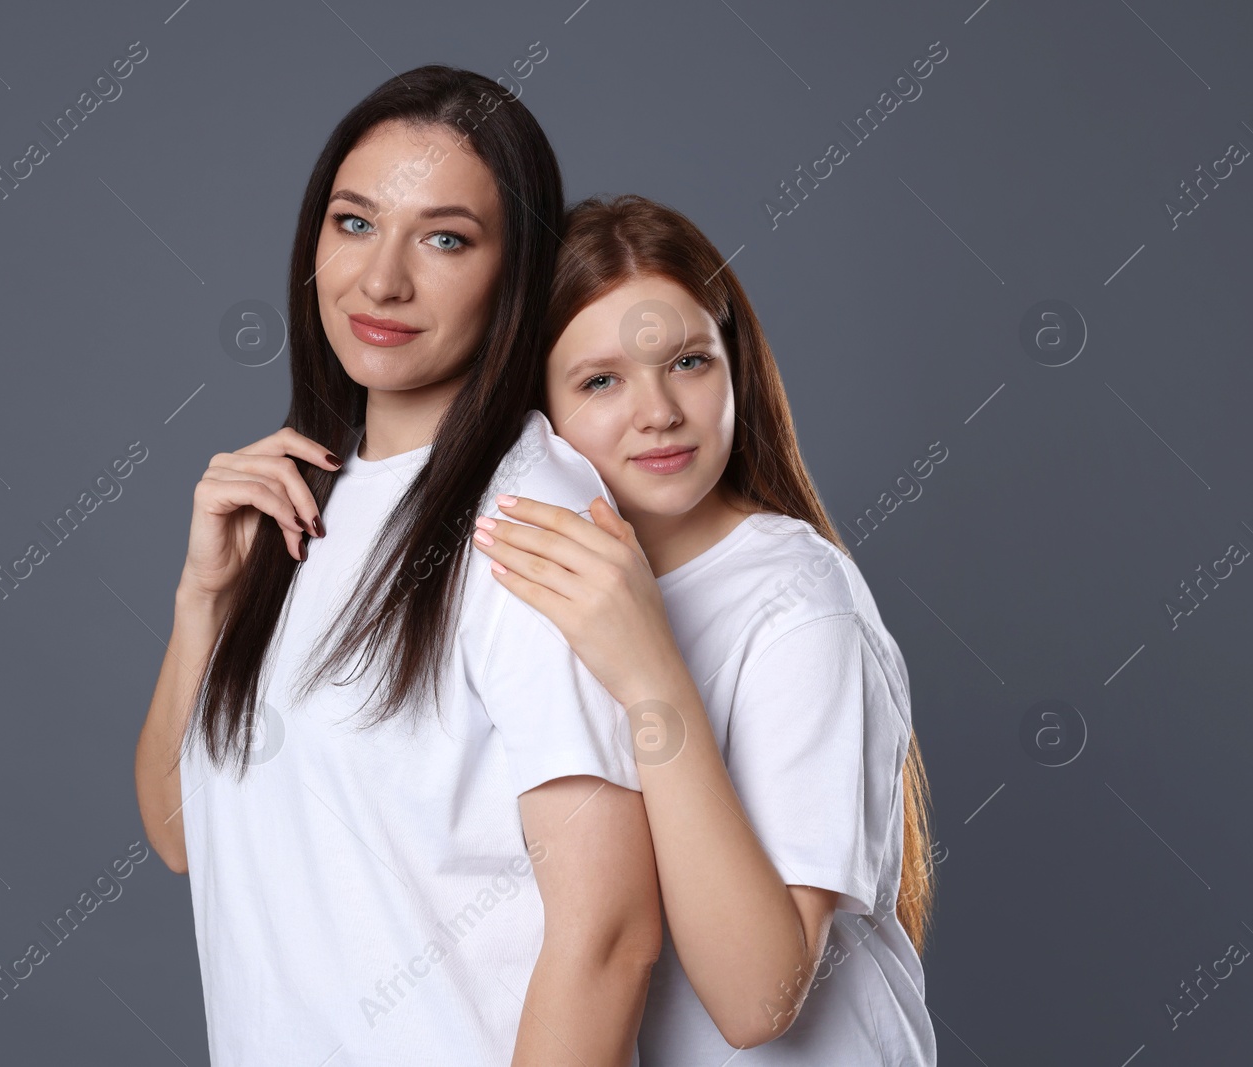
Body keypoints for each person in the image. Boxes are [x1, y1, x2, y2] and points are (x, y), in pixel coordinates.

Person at [133, 72, 663, 1064]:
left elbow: (611, 935)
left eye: (445, 237)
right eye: (353, 221)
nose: (381, 280)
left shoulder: (529, 518)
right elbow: (186, 836)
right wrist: (202, 599)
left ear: (514, 274)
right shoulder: (304, 499)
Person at [471, 194, 940, 1064]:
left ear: (736, 367)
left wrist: (652, 673)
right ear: (536, 408)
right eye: (601, 379)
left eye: (688, 361)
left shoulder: (802, 603)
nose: (658, 411)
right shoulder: (526, 580)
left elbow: (758, 999)